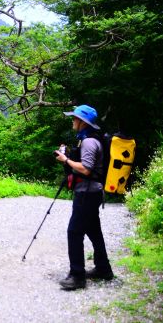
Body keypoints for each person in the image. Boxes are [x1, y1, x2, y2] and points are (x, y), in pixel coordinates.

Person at [54, 104, 114, 290]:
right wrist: (70, 158)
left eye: (75, 118)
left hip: (87, 193)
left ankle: (77, 276)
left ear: (83, 122)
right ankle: (104, 269)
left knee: (74, 231)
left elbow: (86, 169)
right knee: (94, 231)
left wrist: (66, 160)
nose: (72, 120)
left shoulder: (88, 142)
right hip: (91, 192)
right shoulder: (88, 139)